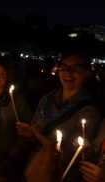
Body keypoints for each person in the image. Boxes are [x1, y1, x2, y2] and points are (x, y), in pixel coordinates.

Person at [16, 47, 101, 181]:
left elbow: (71, 155)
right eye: (64, 66)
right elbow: (34, 127)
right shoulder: (47, 99)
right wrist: (31, 134)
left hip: (60, 174)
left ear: (86, 73)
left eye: (76, 68)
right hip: (34, 167)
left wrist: (38, 135)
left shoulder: (89, 112)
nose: (68, 72)